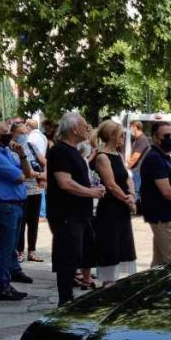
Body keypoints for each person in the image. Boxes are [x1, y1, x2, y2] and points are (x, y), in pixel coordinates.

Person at [47, 112, 104, 305]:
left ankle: (74, 295)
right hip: (67, 215)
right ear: (74, 129)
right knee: (67, 259)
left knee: (82, 254)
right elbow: (65, 183)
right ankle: (65, 301)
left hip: (81, 215)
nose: (88, 129)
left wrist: (93, 189)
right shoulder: (60, 151)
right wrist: (91, 192)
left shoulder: (74, 152)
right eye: (84, 125)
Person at [0, 120, 33, 300]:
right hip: (3, 205)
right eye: (5, 131)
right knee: (3, 248)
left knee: (9, 248)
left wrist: (22, 155)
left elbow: (27, 173)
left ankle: (5, 284)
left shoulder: (6, 151)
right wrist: (23, 171)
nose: (9, 134)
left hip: (14, 204)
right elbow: (19, 177)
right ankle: (1, 287)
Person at [92, 120, 137, 286]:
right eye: (121, 135)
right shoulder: (102, 157)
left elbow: (126, 178)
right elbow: (111, 184)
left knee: (123, 243)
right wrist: (127, 199)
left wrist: (132, 194)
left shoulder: (118, 155)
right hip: (110, 207)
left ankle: (119, 282)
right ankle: (108, 281)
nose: (123, 138)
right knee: (110, 244)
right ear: (112, 136)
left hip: (122, 206)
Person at [140, 120, 171, 266]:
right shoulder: (155, 158)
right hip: (163, 217)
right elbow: (166, 190)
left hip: (165, 216)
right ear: (155, 138)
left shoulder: (162, 157)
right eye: (166, 136)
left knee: (159, 262)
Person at [14, 121, 45, 262]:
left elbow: (44, 161)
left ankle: (32, 251)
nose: (24, 136)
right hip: (21, 190)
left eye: (25, 133)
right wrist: (40, 175)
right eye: (21, 133)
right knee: (21, 222)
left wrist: (44, 175)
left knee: (33, 222)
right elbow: (25, 172)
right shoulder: (11, 149)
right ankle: (19, 251)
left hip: (35, 190)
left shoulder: (31, 146)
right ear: (13, 133)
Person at [126, 120, 150, 205]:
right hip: (136, 169)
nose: (130, 129)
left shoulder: (142, 139)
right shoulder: (136, 139)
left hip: (138, 169)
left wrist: (128, 166)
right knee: (136, 190)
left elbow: (135, 157)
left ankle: (133, 207)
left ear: (135, 127)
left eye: (131, 127)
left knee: (135, 190)